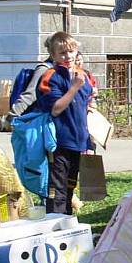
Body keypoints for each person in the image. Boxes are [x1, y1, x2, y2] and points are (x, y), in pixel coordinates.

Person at [35, 31, 94, 214]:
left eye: (71, 51)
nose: (68, 56)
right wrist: (74, 87)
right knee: (57, 189)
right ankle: (54, 223)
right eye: (62, 53)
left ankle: (67, 223)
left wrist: (91, 110)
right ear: (53, 55)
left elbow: (86, 103)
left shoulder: (82, 75)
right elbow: (56, 108)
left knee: (70, 186)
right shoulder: (50, 76)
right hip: (59, 142)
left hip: (79, 140)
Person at [6, 37, 54, 122]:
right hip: (46, 120)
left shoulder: (67, 69)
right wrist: (13, 115)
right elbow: (31, 93)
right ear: (51, 51)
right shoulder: (44, 69)